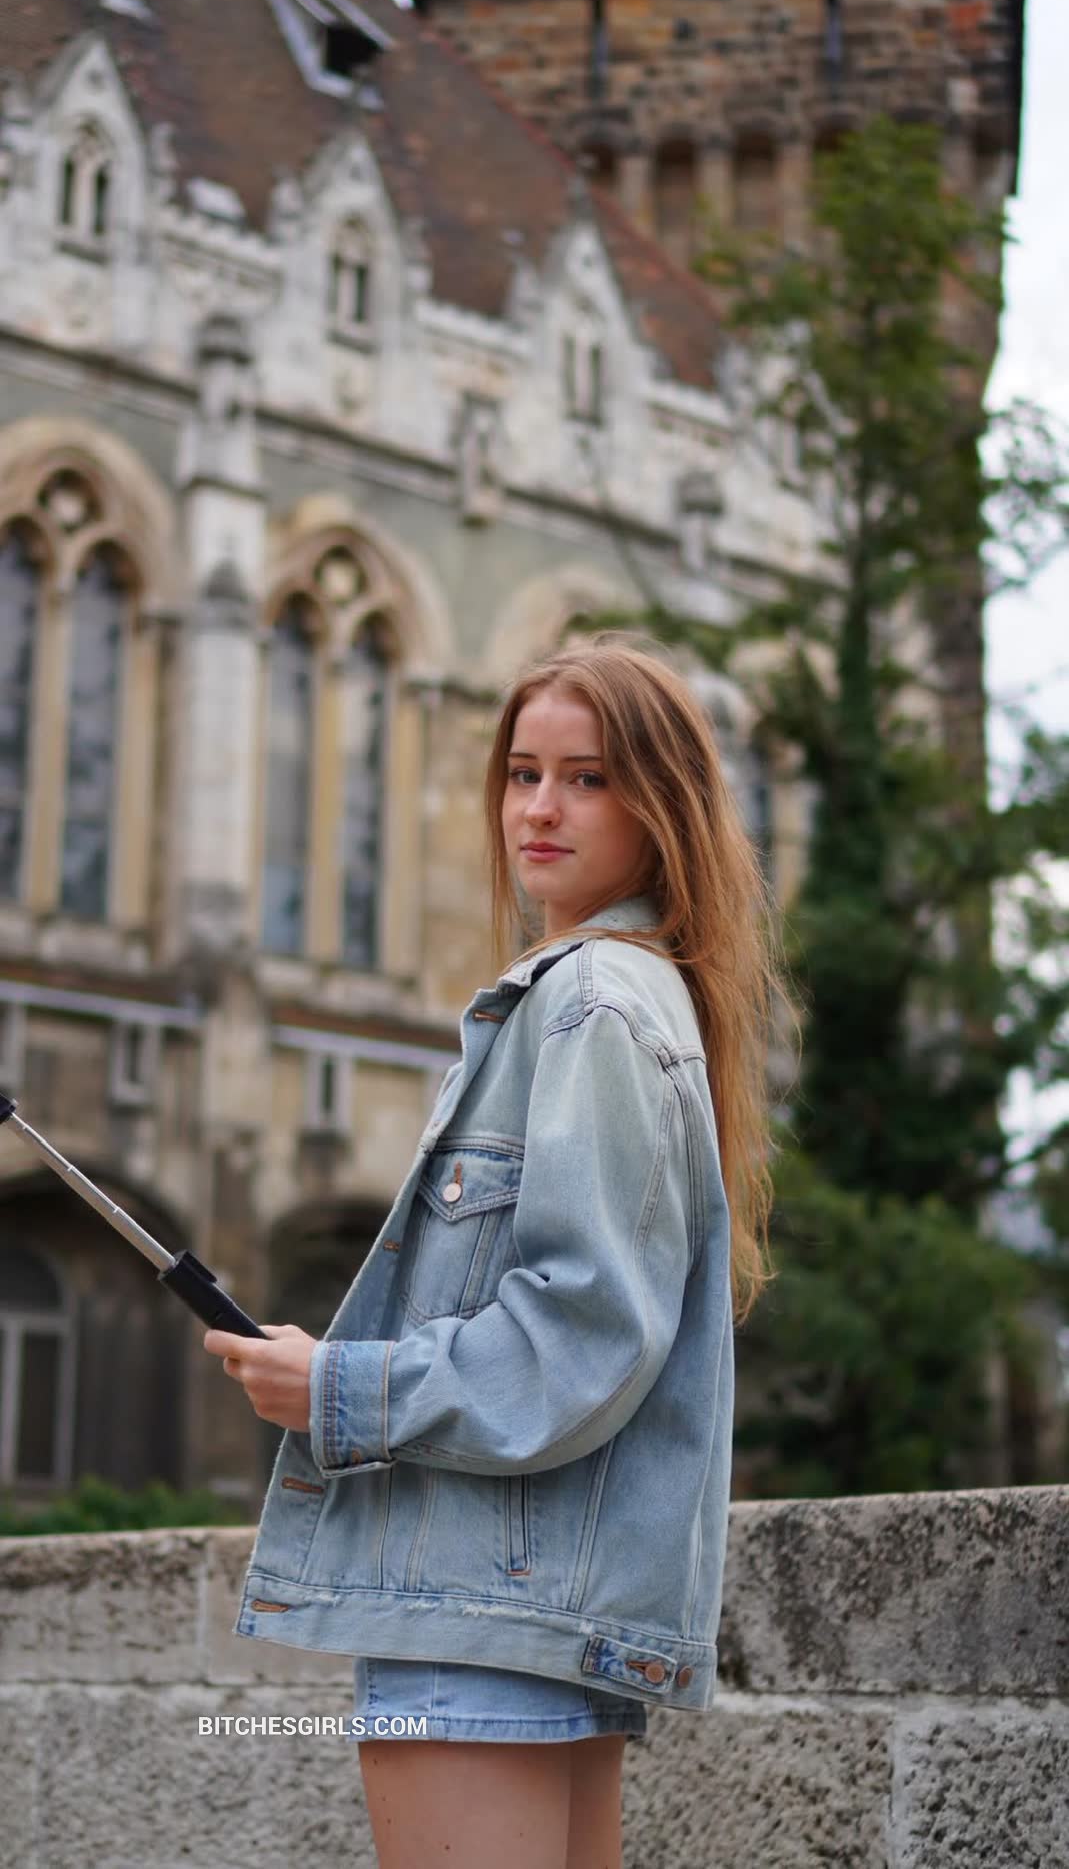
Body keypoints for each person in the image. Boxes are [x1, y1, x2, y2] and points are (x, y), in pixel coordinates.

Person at [204, 635, 795, 1869]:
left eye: (587, 778)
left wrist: (338, 1387)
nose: (538, 808)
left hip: (480, 1604)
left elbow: (586, 1326)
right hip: (533, 1609)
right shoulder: (626, 994)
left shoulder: (592, 1002)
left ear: (661, 803)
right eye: (524, 773)